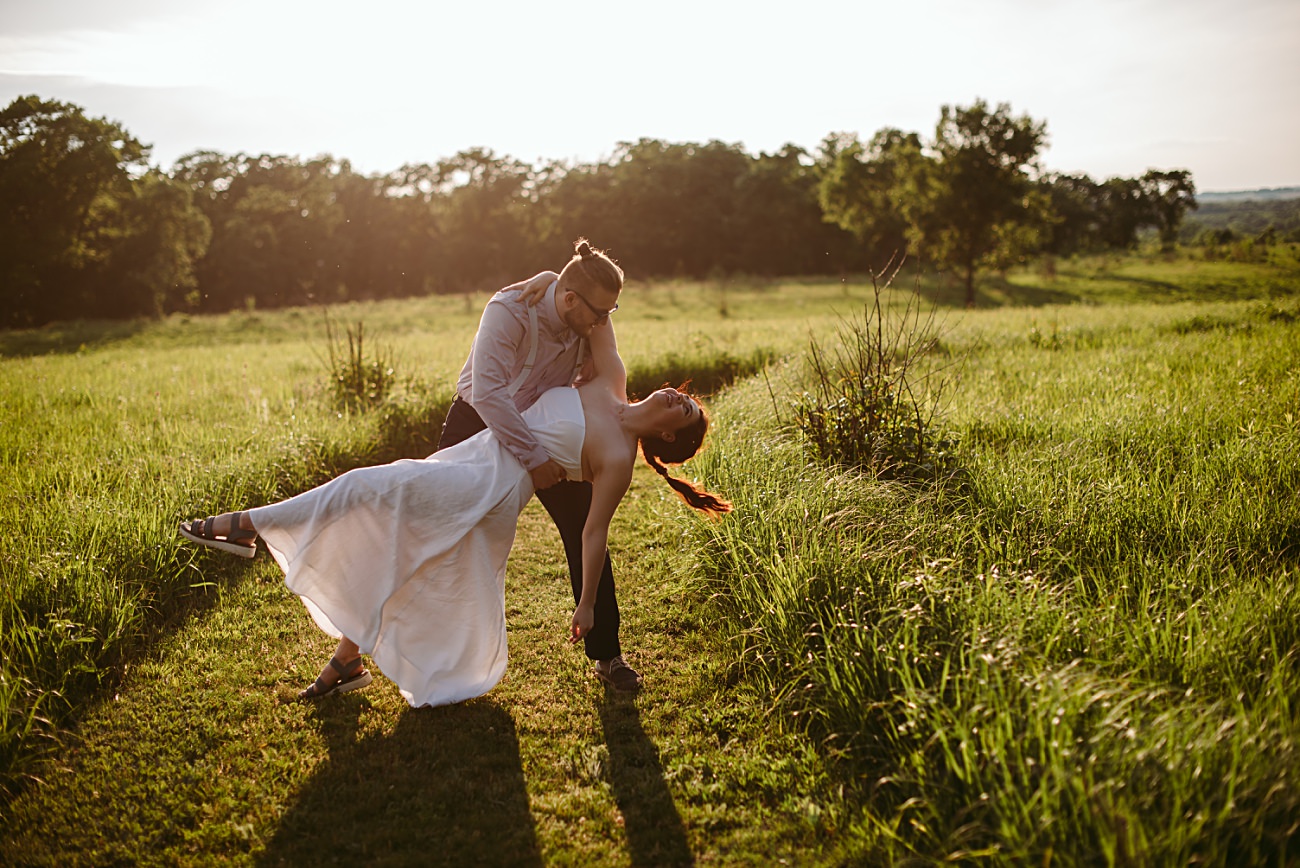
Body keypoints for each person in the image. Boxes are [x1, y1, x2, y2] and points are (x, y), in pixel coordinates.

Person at [178, 278, 730, 707]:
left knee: (367, 486)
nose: (675, 395)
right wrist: (546, 277)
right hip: (480, 450)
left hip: (488, 484)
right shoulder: (610, 377)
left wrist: (584, 604)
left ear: (665, 435)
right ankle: (348, 661)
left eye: (682, 410)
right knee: (412, 555)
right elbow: (594, 302)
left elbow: (593, 534)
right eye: (683, 396)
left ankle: (249, 525)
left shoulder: (616, 462)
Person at [438, 239, 646, 691]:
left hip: (547, 428)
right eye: (599, 313)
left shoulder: (580, 313)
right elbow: (491, 394)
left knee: (584, 527)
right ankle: (396, 648)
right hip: (478, 417)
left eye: (611, 312)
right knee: (438, 526)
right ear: (570, 300)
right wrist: (534, 461)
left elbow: (575, 287)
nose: (603, 323)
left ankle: (608, 655)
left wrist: (552, 277)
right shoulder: (510, 310)